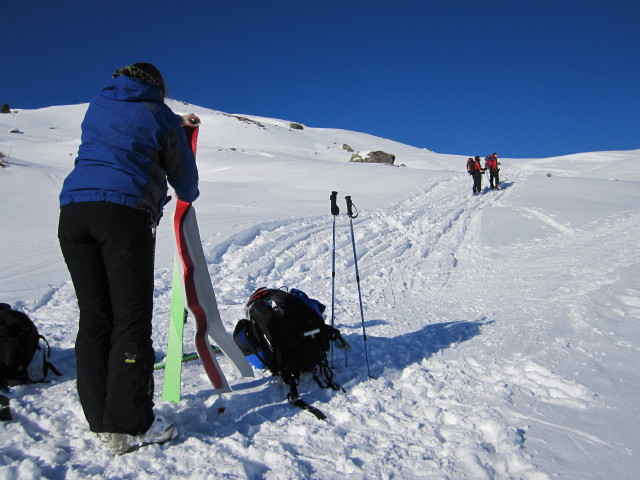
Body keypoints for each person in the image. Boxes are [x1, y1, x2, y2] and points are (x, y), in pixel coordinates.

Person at [57, 63, 200, 454]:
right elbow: (184, 180)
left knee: (95, 316)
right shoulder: (159, 114)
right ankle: (131, 422)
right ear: (157, 86)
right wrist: (179, 132)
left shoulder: (99, 105)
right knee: (130, 317)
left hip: (73, 213)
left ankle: (102, 419)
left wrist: (173, 122)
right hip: (123, 215)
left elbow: (126, 131)